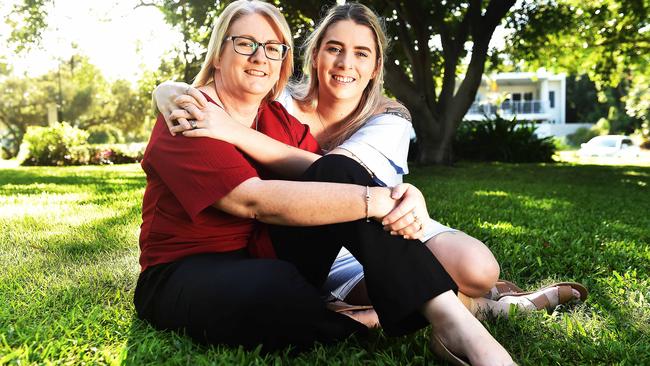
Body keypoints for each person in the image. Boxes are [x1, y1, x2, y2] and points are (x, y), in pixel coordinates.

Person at [154, 2, 588, 324]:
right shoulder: (277, 98)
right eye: (334, 49)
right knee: (286, 293)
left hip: (376, 219)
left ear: (376, 64)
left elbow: (335, 173)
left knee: (477, 267)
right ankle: (476, 309)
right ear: (311, 55)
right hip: (307, 226)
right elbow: (227, 87)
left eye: (361, 53)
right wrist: (168, 91)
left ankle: (469, 305)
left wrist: (229, 131)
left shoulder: (389, 117)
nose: (345, 63)